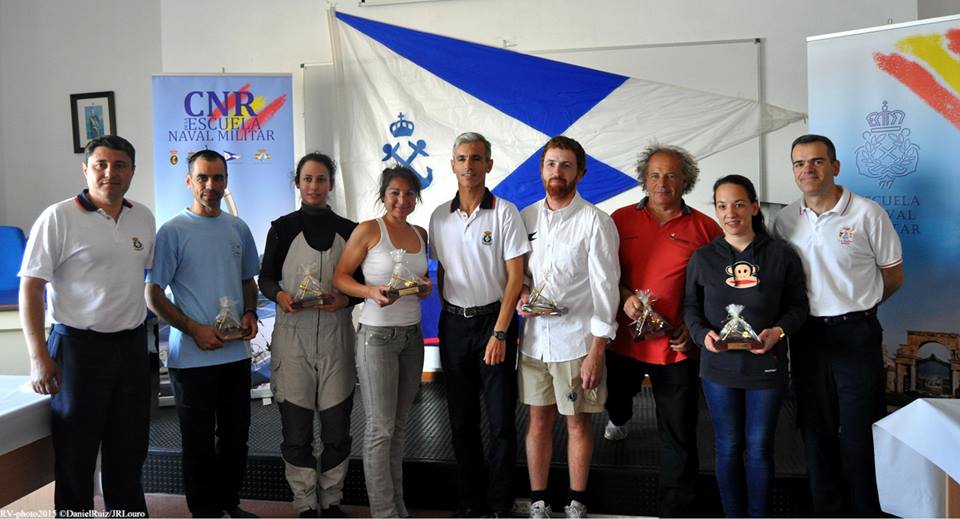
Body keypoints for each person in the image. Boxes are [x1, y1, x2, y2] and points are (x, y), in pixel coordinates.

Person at [18, 135, 154, 515]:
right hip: (78, 348)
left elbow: (140, 278)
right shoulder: (58, 217)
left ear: (132, 171)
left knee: (129, 451)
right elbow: (31, 287)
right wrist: (38, 357)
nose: (110, 173)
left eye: (120, 165)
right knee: (76, 455)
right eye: (101, 165)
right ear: (86, 170)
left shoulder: (143, 217)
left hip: (131, 348)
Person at [773, 134, 904, 516]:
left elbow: (893, 276)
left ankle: (868, 510)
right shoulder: (785, 219)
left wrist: (858, 309)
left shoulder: (867, 213)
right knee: (816, 430)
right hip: (807, 336)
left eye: (817, 161)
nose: (808, 170)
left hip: (856, 335)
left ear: (835, 166)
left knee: (862, 432)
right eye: (799, 163)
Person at [604, 144, 722, 516]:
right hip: (623, 343)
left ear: (685, 181)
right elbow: (601, 274)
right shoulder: (619, 220)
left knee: (679, 434)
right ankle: (618, 417)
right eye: (655, 175)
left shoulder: (705, 227)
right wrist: (624, 295)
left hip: (676, 347)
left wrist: (694, 326)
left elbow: (719, 288)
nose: (662, 183)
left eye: (671, 175)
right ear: (644, 178)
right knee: (615, 400)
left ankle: (676, 509)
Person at [683, 174, 808, 517]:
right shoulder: (703, 258)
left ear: (754, 207)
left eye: (739, 204)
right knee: (727, 446)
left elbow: (798, 307)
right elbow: (690, 307)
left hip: (766, 367)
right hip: (718, 369)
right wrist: (701, 335)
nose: (730, 213)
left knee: (759, 448)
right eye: (722, 206)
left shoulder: (781, 255)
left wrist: (778, 331)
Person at [145, 149, 260, 518]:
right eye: (203, 178)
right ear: (189, 181)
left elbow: (248, 281)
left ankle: (229, 502)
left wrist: (250, 312)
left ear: (226, 180)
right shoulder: (173, 231)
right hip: (192, 360)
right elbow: (153, 294)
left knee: (236, 437)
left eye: (218, 177)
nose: (211, 185)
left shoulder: (238, 228)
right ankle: (204, 511)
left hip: (235, 355)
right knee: (197, 442)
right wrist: (194, 329)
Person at [517, 136, 620, 519]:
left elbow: (606, 289)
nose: (556, 172)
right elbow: (518, 274)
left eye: (565, 165)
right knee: (538, 420)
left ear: (580, 173)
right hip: (533, 343)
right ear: (541, 170)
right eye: (550, 164)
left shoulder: (596, 222)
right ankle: (539, 500)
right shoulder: (526, 217)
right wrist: (521, 294)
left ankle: (577, 502)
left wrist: (597, 350)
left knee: (577, 424)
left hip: (577, 343)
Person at [428, 132, 529, 517]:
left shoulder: (505, 212)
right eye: (461, 158)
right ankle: (470, 503)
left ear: (488, 164)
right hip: (455, 325)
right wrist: (453, 315)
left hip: (494, 323)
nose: (468, 165)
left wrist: (500, 331)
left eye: (475, 158)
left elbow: (515, 278)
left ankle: (501, 504)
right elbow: (443, 272)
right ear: (452, 165)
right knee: (461, 420)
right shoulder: (439, 216)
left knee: (501, 421)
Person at [258, 153, 361, 518]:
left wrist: (345, 300)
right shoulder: (282, 228)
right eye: (307, 179)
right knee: (296, 432)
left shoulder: (350, 230)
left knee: (337, 431)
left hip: (336, 340)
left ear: (330, 184)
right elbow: (266, 278)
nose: (314, 186)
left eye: (321, 179)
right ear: (297, 183)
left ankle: (331, 500)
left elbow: (361, 283)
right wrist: (279, 296)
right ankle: (305, 502)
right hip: (293, 341)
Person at [333, 165, 432, 518]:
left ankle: (397, 507)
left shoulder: (420, 233)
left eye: (409, 194)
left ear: (416, 197)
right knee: (380, 428)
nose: (402, 200)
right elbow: (340, 277)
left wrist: (424, 288)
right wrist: (369, 291)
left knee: (399, 427)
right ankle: (384, 512)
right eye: (395, 193)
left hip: (412, 337)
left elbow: (419, 281)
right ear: (383, 195)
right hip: (376, 338)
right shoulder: (368, 230)